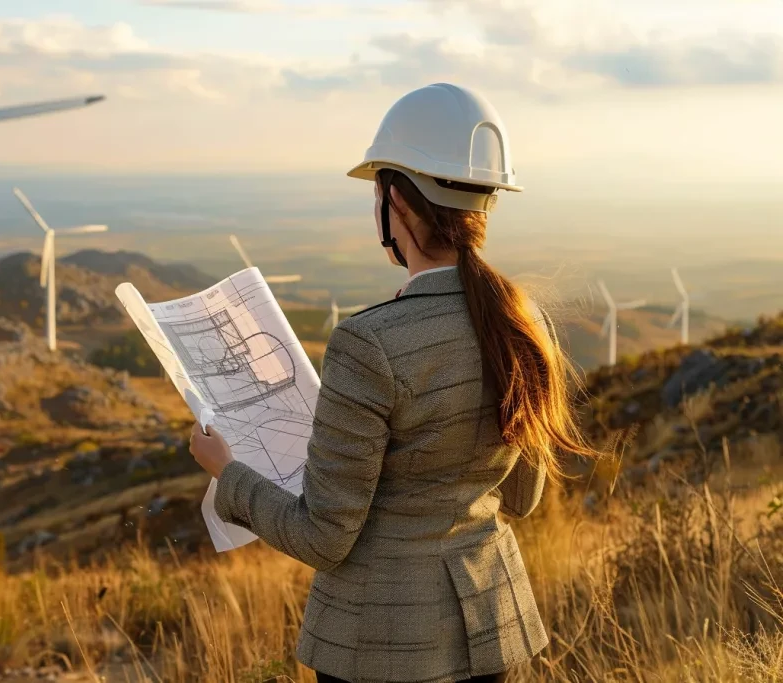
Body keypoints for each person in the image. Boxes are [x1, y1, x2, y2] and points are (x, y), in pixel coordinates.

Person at [190, 83, 599, 683]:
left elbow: (324, 536)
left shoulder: (368, 343)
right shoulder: (525, 321)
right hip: (492, 629)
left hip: (378, 648)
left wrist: (229, 475)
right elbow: (522, 499)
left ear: (394, 201)